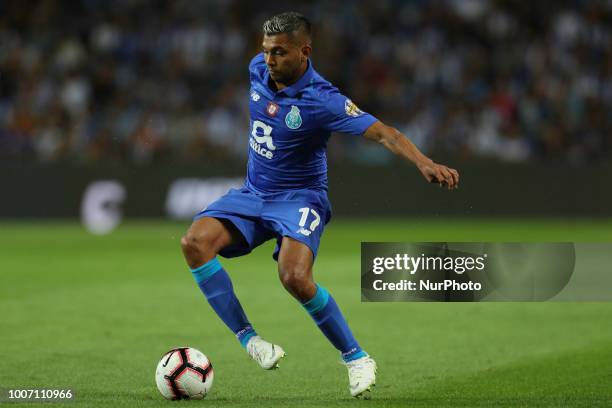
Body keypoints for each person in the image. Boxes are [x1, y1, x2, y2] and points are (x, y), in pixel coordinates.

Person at [180, 11, 459, 399]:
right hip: (253, 194)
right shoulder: (256, 69)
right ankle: (251, 340)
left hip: (299, 198)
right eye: (265, 51)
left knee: (293, 277)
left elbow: (384, 134)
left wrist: (425, 163)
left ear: (304, 51)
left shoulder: (324, 100)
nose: (269, 60)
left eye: (279, 52)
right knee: (194, 242)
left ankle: (356, 357)